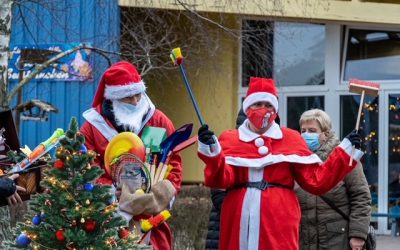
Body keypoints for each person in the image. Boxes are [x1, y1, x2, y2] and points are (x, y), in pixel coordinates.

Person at [197, 77, 363, 250]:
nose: (263, 110)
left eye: (268, 105)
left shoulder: (291, 138)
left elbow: (316, 180)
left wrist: (345, 150)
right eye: (258, 104)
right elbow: (221, 180)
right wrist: (213, 152)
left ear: (275, 110)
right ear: (247, 108)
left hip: (279, 219)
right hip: (238, 218)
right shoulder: (230, 138)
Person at [80, 61, 182, 250]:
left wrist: (162, 194)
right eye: (128, 98)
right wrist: (113, 194)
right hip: (107, 223)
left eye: (138, 95)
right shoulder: (92, 128)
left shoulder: (159, 121)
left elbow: (173, 163)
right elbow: (86, 170)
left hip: (152, 223)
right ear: (113, 99)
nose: (135, 102)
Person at [297, 109, 371, 250]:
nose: (306, 135)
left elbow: (361, 197)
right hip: (304, 240)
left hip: (337, 239)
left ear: (325, 134)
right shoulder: (297, 160)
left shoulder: (345, 159)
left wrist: (358, 234)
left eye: (312, 130)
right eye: (303, 130)